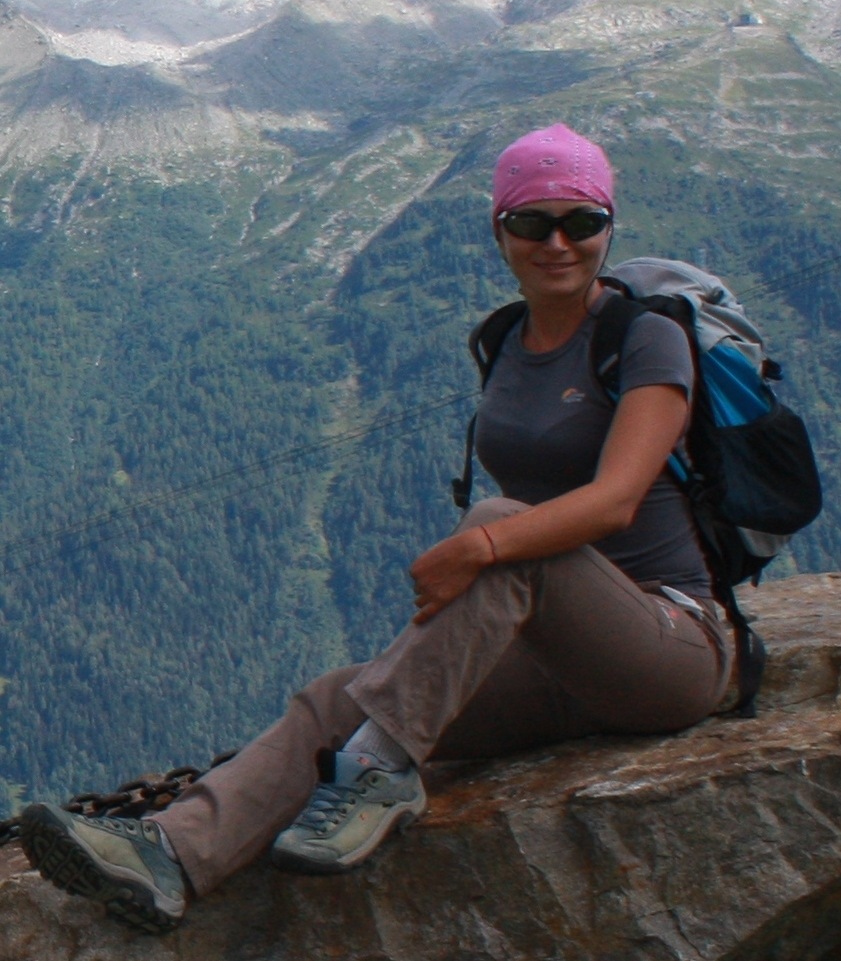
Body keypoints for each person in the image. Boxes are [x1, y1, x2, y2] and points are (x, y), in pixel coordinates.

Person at [19, 122, 733, 934]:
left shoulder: (646, 335)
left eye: (582, 220)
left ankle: (379, 771)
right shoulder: (507, 340)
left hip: (666, 645)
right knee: (341, 696)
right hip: (555, 659)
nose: (558, 242)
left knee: (500, 527)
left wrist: (481, 544)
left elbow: (615, 502)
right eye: (533, 222)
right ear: (500, 229)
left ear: (610, 225)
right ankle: (172, 857)